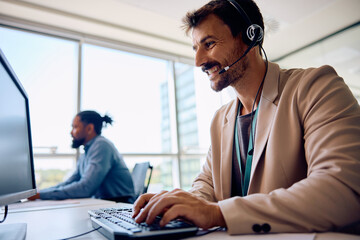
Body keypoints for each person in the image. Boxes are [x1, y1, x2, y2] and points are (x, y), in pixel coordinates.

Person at [132, 0, 360, 235]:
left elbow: (343, 189)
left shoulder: (315, 88)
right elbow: (206, 185)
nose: (198, 61)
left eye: (209, 44)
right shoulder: (221, 119)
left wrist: (217, 213)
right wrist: (179, 204)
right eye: (195, 48)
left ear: (251, 37)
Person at [29, 110, 135, 202]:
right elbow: (71, 182)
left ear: (89, 128)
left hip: (119, 204)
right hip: (105, 203)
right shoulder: (86, 152)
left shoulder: (101, 145)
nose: (71, 132)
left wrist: (41, 195)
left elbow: (86, 188)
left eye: (75, 127)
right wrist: (40, 193)